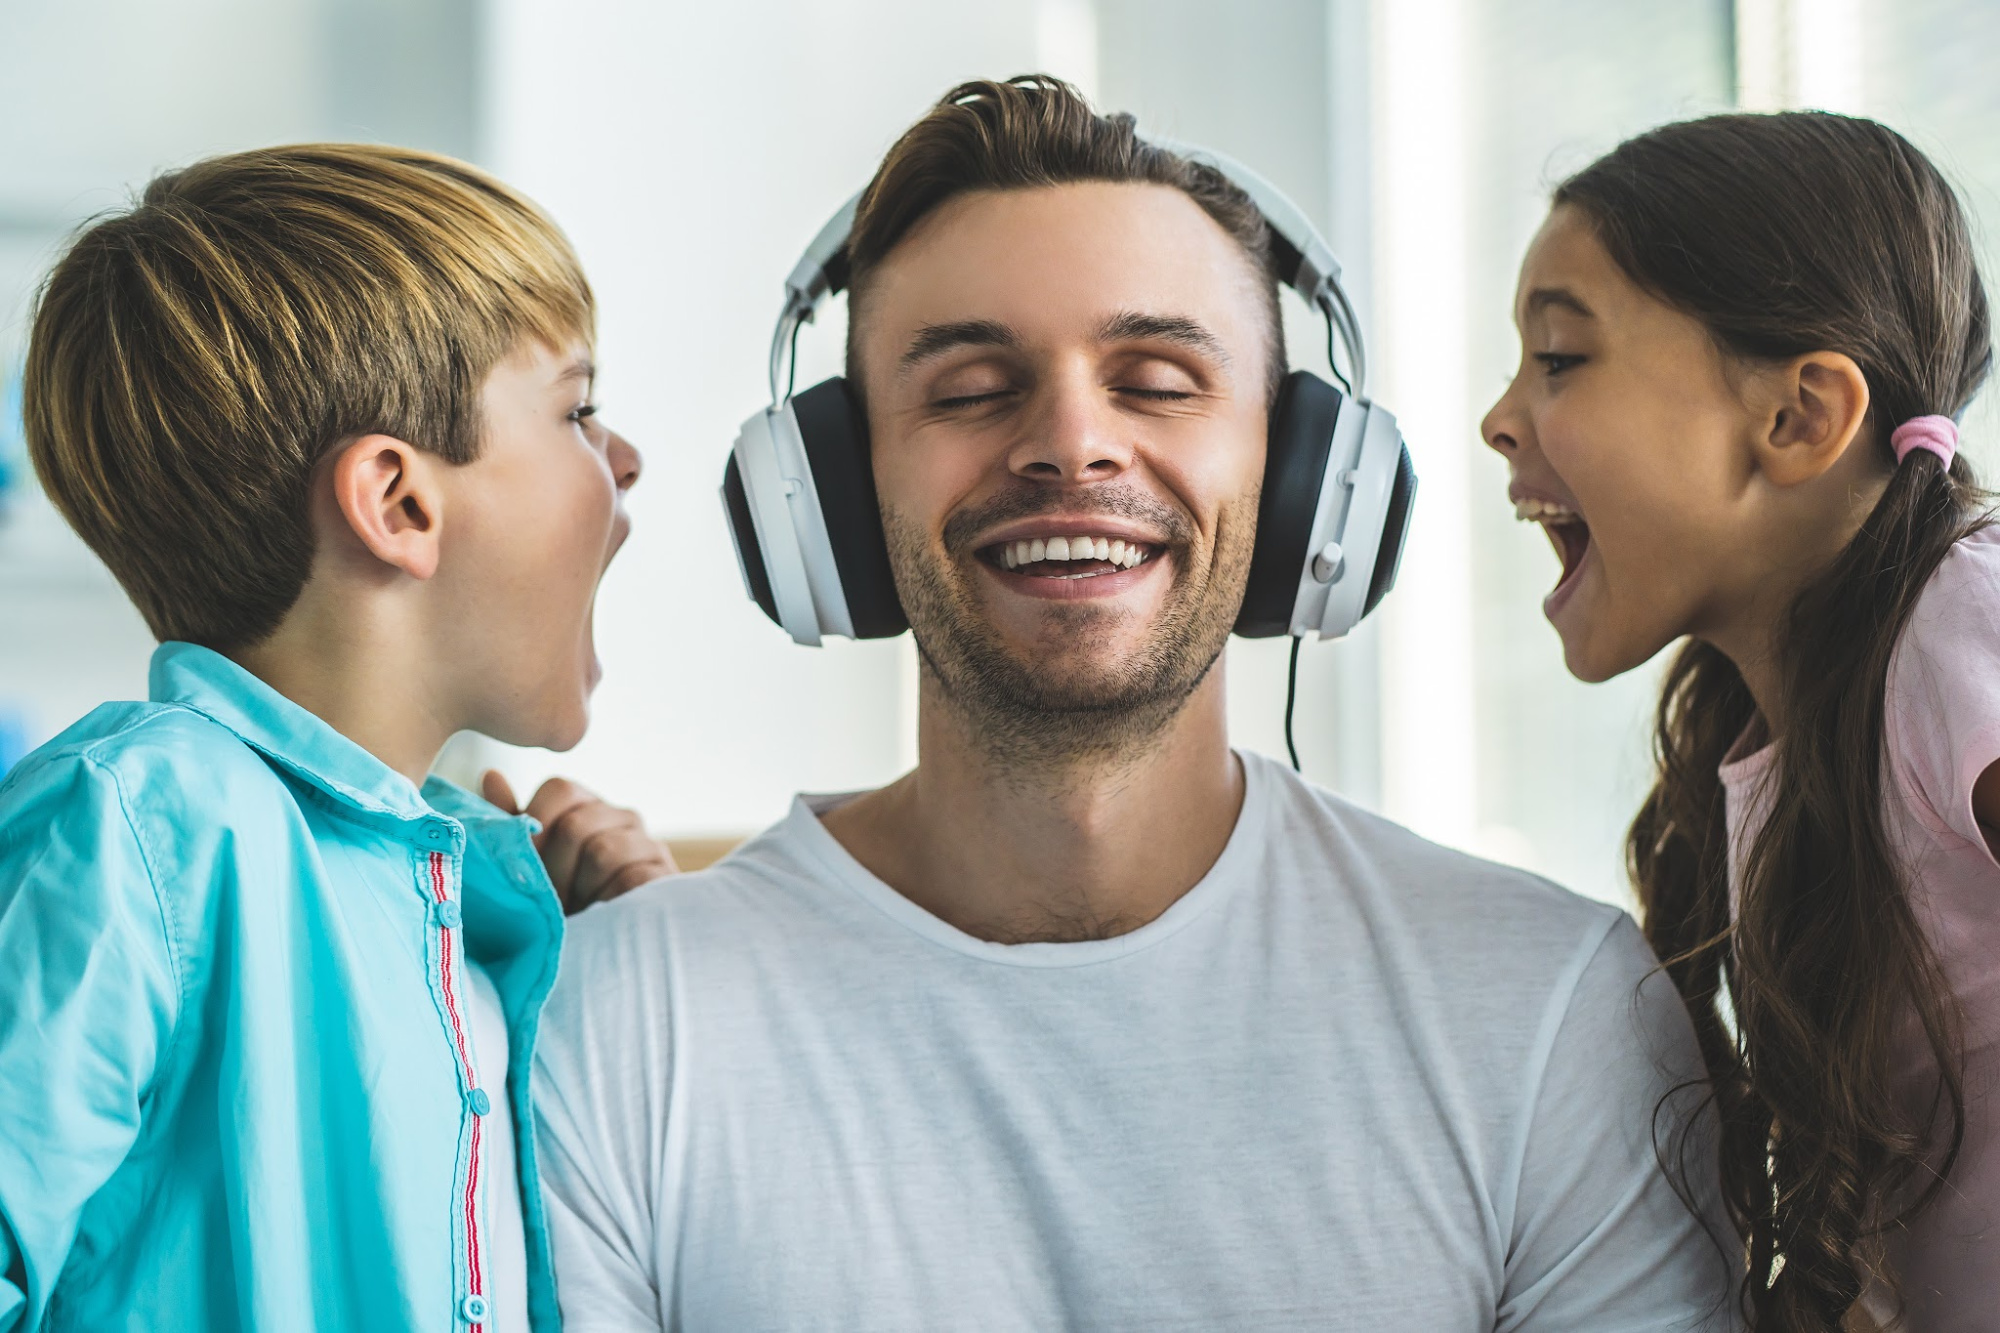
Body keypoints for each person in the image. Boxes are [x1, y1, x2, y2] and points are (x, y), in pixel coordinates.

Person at [535, 76, 1734, 1331]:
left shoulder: (1546, 1007)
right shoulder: (622, 1022)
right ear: (833, 489)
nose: (1069, 442)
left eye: (1156, 380)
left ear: (1298, 478)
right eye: (965, 388)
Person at [0, 144, 669, 1332]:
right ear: (400, 504)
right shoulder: (147, 819)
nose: (624, 462)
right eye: (578, 409)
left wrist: (618, 974)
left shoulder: (476, 910)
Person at [1481, 113, 2000, 1330]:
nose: (1500, 417)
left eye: (1557, 358)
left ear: (1798, 417)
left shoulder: (1961, 622)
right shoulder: (1765, 735)